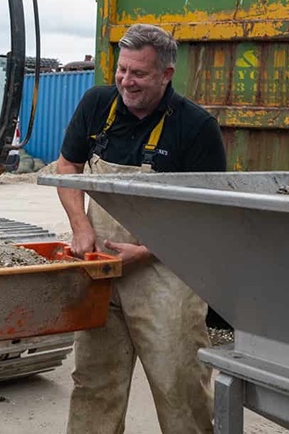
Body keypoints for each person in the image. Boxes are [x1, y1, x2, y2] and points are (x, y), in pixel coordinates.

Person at [56, 23, 226, 434]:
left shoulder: (196, 127)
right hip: (100, 267)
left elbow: (208, 213)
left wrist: (146, 250)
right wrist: (80, 227)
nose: (126, 82)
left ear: (167, 74)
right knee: (95, 383)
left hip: (165, 272)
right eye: (122, 70)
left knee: (179, 386)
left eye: (139, 74)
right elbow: (67, 166)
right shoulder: (98, 105)